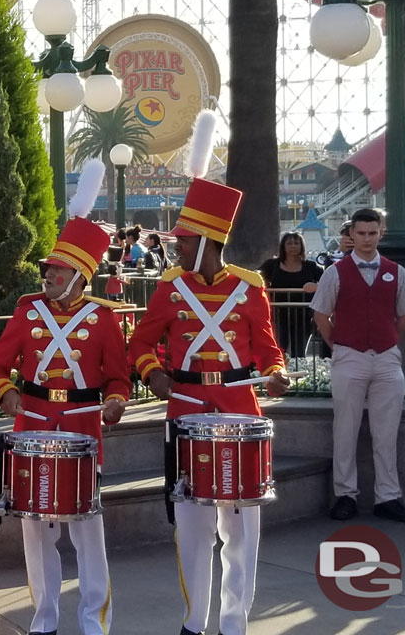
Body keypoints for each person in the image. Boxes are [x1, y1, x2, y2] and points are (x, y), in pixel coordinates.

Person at [126, 111, 289, 635]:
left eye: (184, 241)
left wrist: (277, 372)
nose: (175, 248)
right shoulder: (171, 288)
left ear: (209, 241)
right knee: (193, 528)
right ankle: (194, 623)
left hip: (241, 411)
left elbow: (266, 348)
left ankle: (234, 623)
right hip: (187, 410)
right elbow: (141, 343)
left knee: (241, 530)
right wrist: (153, 374)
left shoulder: (249, 287)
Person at [0, 160, 129, 635]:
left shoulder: (104, 318)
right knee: (36, 530)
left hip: (84, 429)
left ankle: (94, 623)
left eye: (57, 269)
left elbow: (118, 377)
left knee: (89, 532)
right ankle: (44, 620)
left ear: (80, 275)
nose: (47, 274)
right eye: (47, 268)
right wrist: (5, 392)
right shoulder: (28, 314)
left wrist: (115, 402)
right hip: (33, 423)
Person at [310, 207, 405, 523]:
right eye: (361, 233)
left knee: (387, 431)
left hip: (386, 357)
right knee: (345, 428)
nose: (367, 239)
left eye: (372, 233)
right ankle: (345, 495)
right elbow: (320, 315)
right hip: (348, 356)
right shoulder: (335, 272)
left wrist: (386, 342)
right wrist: (339, 345)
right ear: (351, 235)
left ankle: (389, 496)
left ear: (380, 233)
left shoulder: (397, 272)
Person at [258, 232, 323, 358]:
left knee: (299, 351)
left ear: (301, 246)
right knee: (278, 349)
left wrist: (316, 287)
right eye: (289, 243)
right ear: (283, 246)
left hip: (303, 316)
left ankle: (299, 377)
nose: (293, 246)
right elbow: (256, 278)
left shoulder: (311, 266)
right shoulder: (271, 265)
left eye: (296, 243)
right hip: (277, 316)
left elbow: (328, 282)